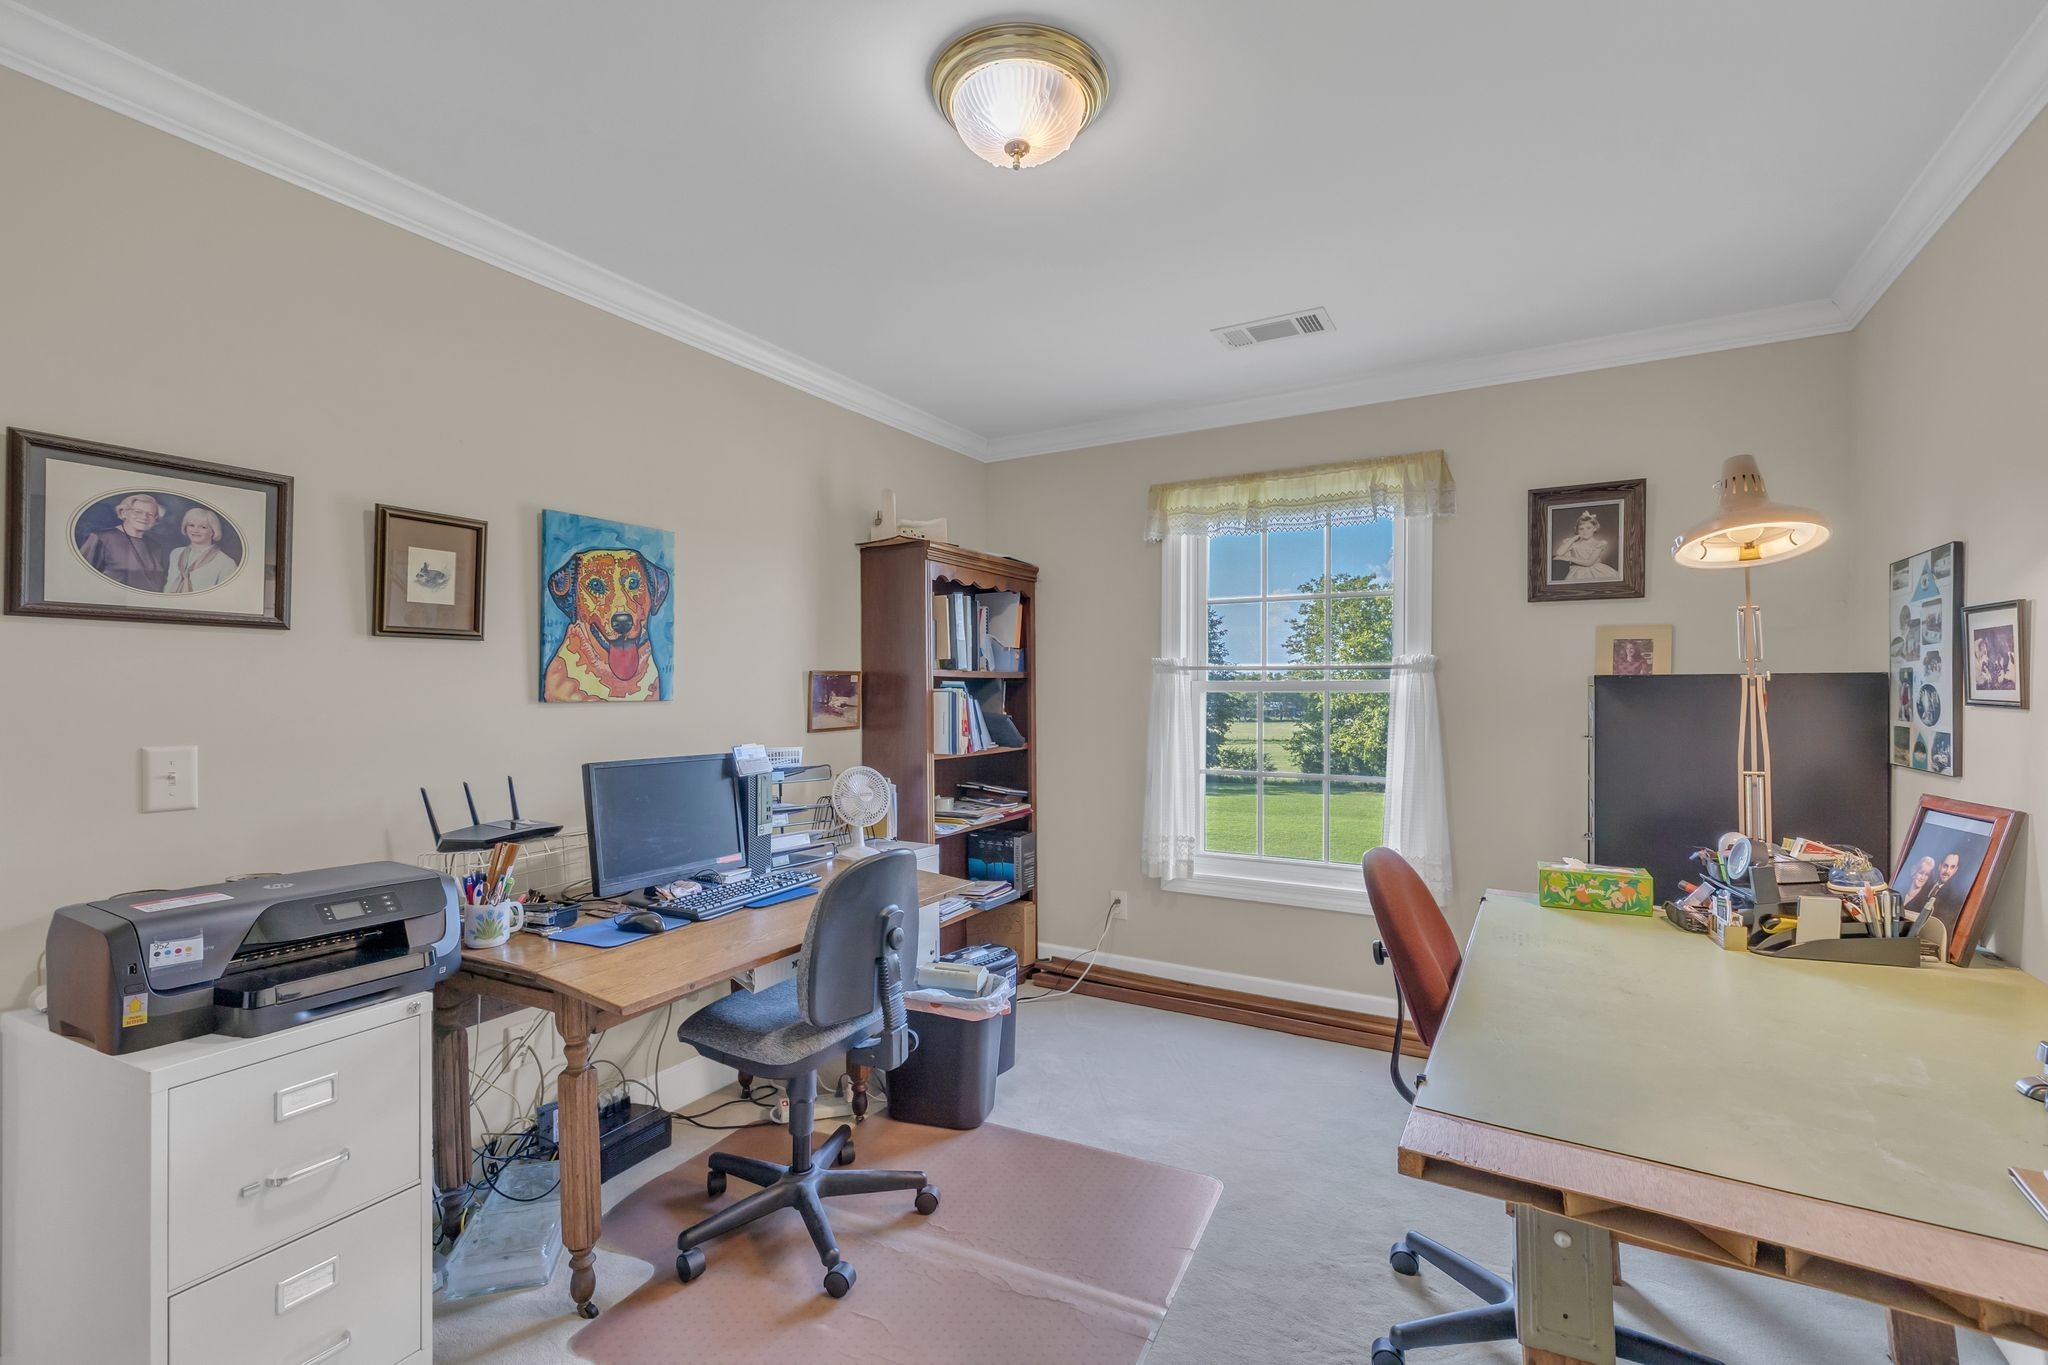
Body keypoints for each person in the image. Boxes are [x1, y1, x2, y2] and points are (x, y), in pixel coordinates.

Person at [79, 493, 168, 590]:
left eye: (150, 514)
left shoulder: (155, 546)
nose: (144, 517)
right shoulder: (100, 539)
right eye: (138, 512)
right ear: (123, 513)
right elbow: (81, 578)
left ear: (156, 519)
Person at [162, 506, 238, 593]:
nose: (195, 530)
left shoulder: (226, 563)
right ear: (185, 528)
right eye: (191, 525)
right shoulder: (176, 553)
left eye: (203, 527)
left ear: (213, 531)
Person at [1554, 509, 1619, 581]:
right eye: (1581, 529)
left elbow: (1589, 563)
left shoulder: (1598, 544)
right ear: (1577, 530)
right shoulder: (1574, 543)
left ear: (1594, 528)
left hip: (1595, 570)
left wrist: (1569, 558)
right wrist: (1573, 539)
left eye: (1588, 528)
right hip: (1577, 571)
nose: (1585, 531)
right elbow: (1559, 553)